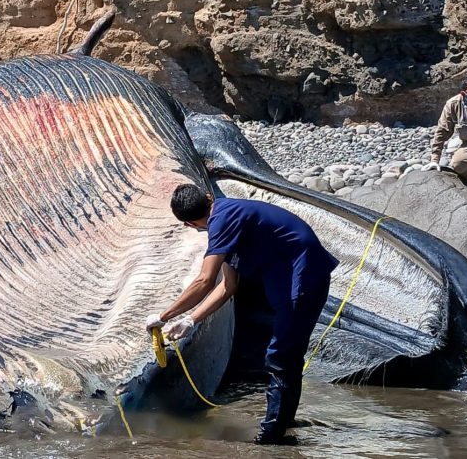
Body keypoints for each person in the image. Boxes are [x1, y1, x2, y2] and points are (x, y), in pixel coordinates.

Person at [144, 184, 338, 445]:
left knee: (281, 355)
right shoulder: (228, 218)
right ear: (208, 197)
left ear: (189, 224)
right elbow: (227, 287)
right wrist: (190, 320)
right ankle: (284, 421)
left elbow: (204, 280)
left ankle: (271, 437)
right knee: (285, 355)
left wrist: (164, 316)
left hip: (302, 277)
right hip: (296, 277)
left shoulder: (222, 219)